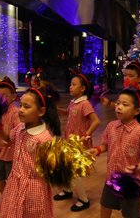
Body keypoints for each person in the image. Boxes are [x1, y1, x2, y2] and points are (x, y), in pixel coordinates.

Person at [90, 88, 140, 218]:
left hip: (131, 182)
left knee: (131, 213)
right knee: (105, 204)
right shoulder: (111, 126)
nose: (119, 107)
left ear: (137, 111)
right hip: (111, 176)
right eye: (118, 103)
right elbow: (106, 145)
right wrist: (98, 149)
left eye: (125, 105)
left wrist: (139, 166)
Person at [0, 88, 61, 218]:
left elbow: (52, 168)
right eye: (20, 105)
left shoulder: (44, 138)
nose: (20, 110)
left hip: (34, 189)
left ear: (41, 111)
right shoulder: (20, 128)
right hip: (15, 183)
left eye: (26, 107)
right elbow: (8, 139)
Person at [54, 74, 100, 212]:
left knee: (75, 172)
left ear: (83, 88)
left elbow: (96, 121)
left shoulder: (85, 104)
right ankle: (68, 190)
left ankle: (83, 199)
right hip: (70, 142)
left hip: (79, 145)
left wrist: (86, 135)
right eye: (70, 84)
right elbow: (67, 113)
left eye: (74, 84)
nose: (70, 86)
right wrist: (55, 108)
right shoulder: (73, 102)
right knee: (66, 167)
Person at [0, 77, 21, 212]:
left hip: (11, 155)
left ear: (13, 97)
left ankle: (13, 202)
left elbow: (17, 133)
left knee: (12, 182)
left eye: (4, 96)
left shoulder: (15, 113)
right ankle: (5, 199)